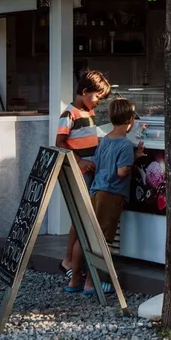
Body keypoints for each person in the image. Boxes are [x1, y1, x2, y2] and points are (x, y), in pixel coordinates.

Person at [67, 98, 143, 294]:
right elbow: (121, 172)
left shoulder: (104, 140)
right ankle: (92, 282)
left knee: (86, 237)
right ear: (131, 120)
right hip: (111, 196)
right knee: (101, 241)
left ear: (110, 117)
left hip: (95, 191)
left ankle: (74, 280)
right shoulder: (125, 145)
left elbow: (99, 165)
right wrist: (132, 161)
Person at [57, 70, 111, 280]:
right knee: (78, 218)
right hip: (79, 172)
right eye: (97, 96)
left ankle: (73, 259)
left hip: (90, 171)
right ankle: (68, 259)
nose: (98, 102)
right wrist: (79, 160)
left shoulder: (89, 113)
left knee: (82, 218)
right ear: (86, 91)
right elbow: (60, 143)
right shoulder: (69, 114)